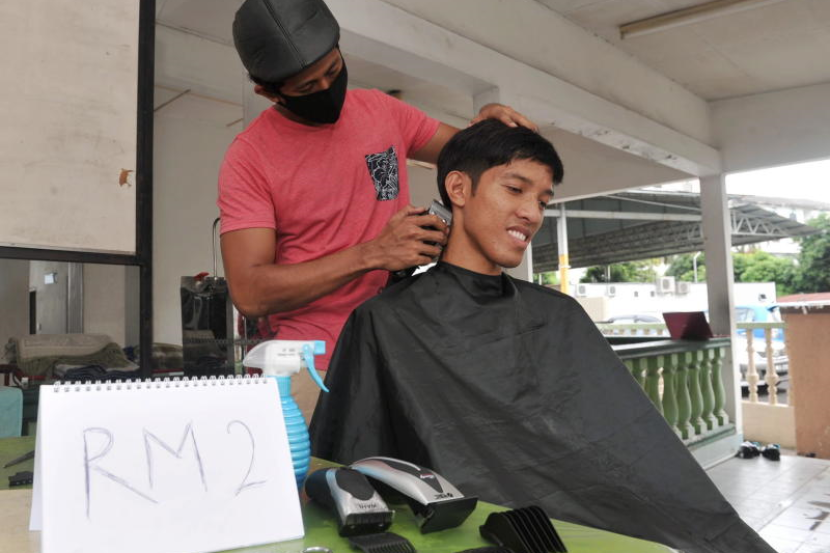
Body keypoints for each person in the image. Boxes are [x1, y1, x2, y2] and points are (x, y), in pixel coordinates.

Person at [309, 120, 775, 553]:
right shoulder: (386, 319)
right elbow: (353, 460)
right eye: (515, 189)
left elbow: (628, 449)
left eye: (544, 201)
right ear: (458, 188)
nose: (531, 213)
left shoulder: (558, 314)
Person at [218, 0, 537, 417]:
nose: (326, 88)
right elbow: (249, 291)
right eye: (307, 88)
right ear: (268, 92)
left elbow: (473, 154)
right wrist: (372, 254)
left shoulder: (380, 111)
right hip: (314, 365)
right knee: (317, 460)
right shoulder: (250, 158)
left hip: (400, 347)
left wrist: (489, 129)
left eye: (333, 71)